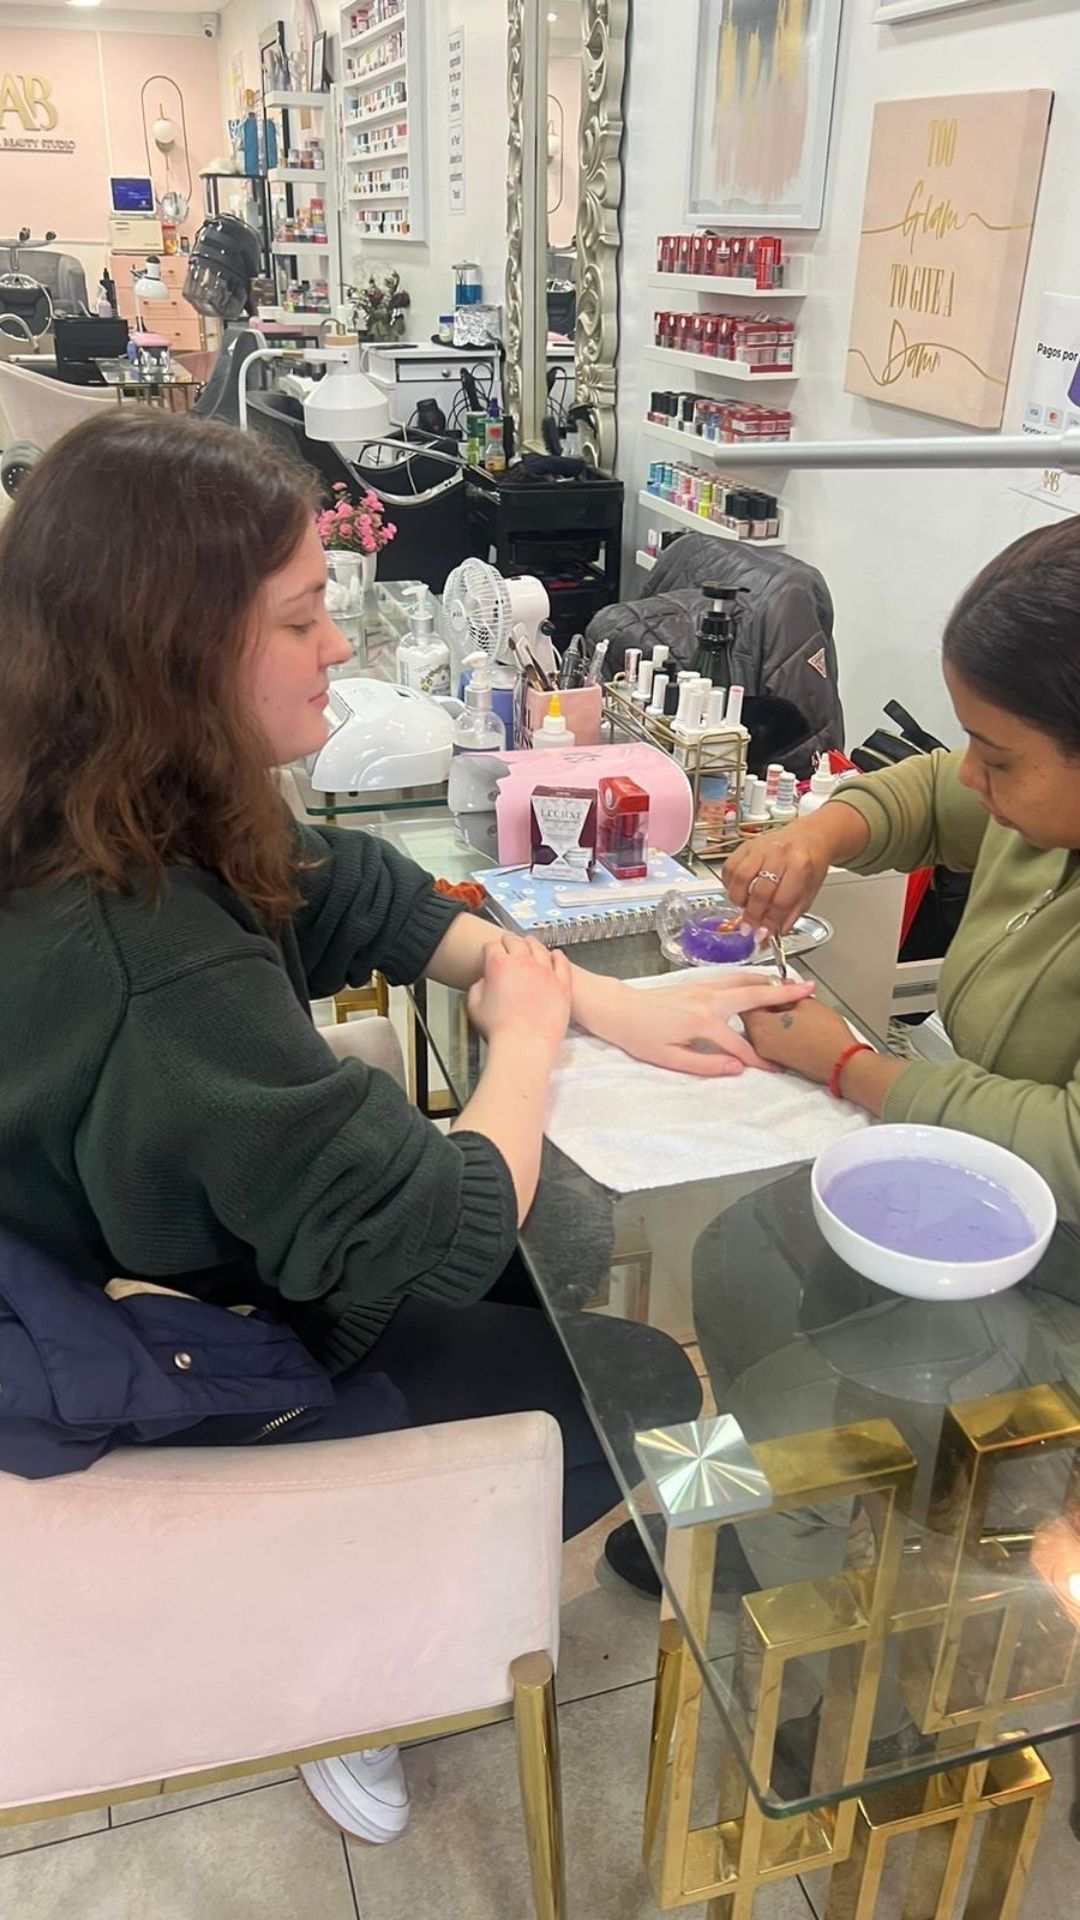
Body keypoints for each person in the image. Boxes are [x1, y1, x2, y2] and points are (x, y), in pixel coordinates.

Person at [0, 410, 812, 1844]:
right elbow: (435, 1240)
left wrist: (582, 999)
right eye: (306, 617)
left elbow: (347, 888)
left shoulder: (94, 797)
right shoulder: (147, 956)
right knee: (645, 1375)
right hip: (178, 1367)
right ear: (169, 654)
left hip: (140, 1286)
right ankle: (376, 1645)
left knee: (554, 1230)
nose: (340, 648)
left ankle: (638, 1532)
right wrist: (539, 1032)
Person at [723, 514, 1080, 1219]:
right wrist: (817, 836)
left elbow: (1067, 1151)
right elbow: (933, 791)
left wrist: (852, 1067)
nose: (974, 774)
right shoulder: (1040, 809)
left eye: (999, 758)